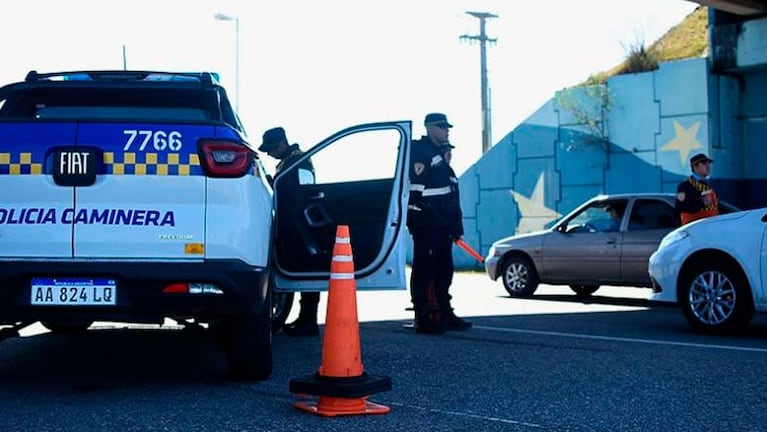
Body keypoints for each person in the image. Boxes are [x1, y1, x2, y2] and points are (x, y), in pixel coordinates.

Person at [407, 113, 472, 334]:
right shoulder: (420, 153)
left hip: (444, 226)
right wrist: (423, 217)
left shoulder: (445, 166)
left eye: (447, 127)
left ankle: (444, 311)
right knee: (425, 268)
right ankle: (424, 315)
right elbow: (415, 192)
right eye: (441, 127)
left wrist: (455, 229)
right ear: (429, 128)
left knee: (445, 269)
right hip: (426, 224)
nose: (446, 130)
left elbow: (452, 199)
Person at [259, 126, 321, 337]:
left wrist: (272, 184)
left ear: (281, 145)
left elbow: (300, 192)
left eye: (270, 149)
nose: (269, 154)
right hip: (294, 223)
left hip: (299, 223)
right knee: (298, 270)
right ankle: (305, 319)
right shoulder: (289, 162)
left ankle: (308, 320)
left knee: (306, 272)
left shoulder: (299, 160)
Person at [675, 152, 719, 225]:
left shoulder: (707, 185)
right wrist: (701, 202)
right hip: (695, 227)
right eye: (704, 164)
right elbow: (680, 207)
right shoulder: (685, 185)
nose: (708, 166)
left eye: (708, 164)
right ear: (695, 167)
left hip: (710, 226)